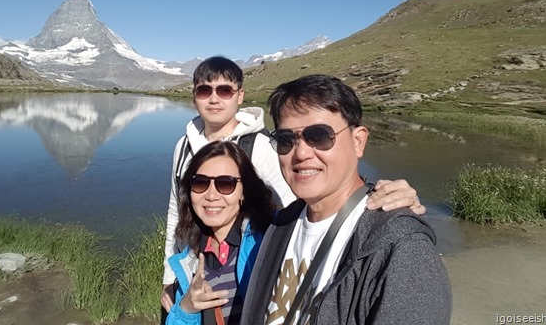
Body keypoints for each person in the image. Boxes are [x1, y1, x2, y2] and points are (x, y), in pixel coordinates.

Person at [162, 56, 426, 311]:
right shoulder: (183, 146)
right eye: (205, 90)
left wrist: (379, 198)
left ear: (240, 95)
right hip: (192, 270)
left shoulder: (262, 147)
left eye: (319, 136)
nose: (300, 153)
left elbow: (301, 199)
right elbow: (176, 209)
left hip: (246, 271)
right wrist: (170, 277)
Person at [241, 74, 452, 325]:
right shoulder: (281, 225)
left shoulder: (400, 246)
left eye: (318, 136)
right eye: (286, 140)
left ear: (358, 141)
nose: (301, 153)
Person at [166, 140, 276, 324]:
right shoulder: (189, 260)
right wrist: (186, 309)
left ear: (244, 192)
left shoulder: (266, 243)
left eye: (226, 184)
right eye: (200, 183)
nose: (211, 195)